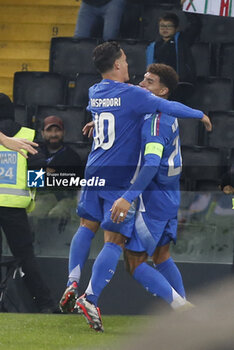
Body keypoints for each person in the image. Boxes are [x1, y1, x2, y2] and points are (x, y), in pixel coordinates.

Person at [59, 41, 211, 332]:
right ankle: (93, 297)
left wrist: (97, 122)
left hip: (101, 172)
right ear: (117, 65)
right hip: (145, 187)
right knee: (125, 247)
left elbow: (127, 113)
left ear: (162, 88)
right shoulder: (137, 100)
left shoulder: (95, 91)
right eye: (127, 61)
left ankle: (75, 283)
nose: (136, 73)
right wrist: (199, 113)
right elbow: (162, 106)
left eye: (149, 81)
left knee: (91, 229)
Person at [111, 63, 189, 307]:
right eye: (143, 78)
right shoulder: (163, 114)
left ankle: (183, 308)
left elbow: (152, 163)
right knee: (161, 255)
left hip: (154, 200)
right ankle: (185, 311)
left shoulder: (156, 122)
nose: (142, 84)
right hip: (169, 195)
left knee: (134, 262)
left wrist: (128, 197)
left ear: (163, 91)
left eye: (149, 82)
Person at [0, 94, 56, 313]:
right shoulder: (27, 134)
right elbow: (39, 172)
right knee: (25, 258)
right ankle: (45, 304)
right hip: (15, 206)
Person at [28, 115, 83, 220]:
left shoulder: (72, 157)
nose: (53, 134)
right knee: (32, 214)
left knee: (56, 215)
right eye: (49, 131)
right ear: (43, 133)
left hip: (65, 198)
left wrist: (45, 174)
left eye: (57, 130)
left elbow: (71, 184)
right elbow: (32, 180)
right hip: (40, 196)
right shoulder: (36, 152)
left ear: (63, 133)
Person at [146, 7, 201, 83]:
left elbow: (195, 24)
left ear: (177, 28)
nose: (165, 29)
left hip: (180, 82)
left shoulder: (183, 41)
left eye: (169, 26)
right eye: (162, 26)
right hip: (161, 83)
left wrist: (187, 7)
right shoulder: (154, 45)